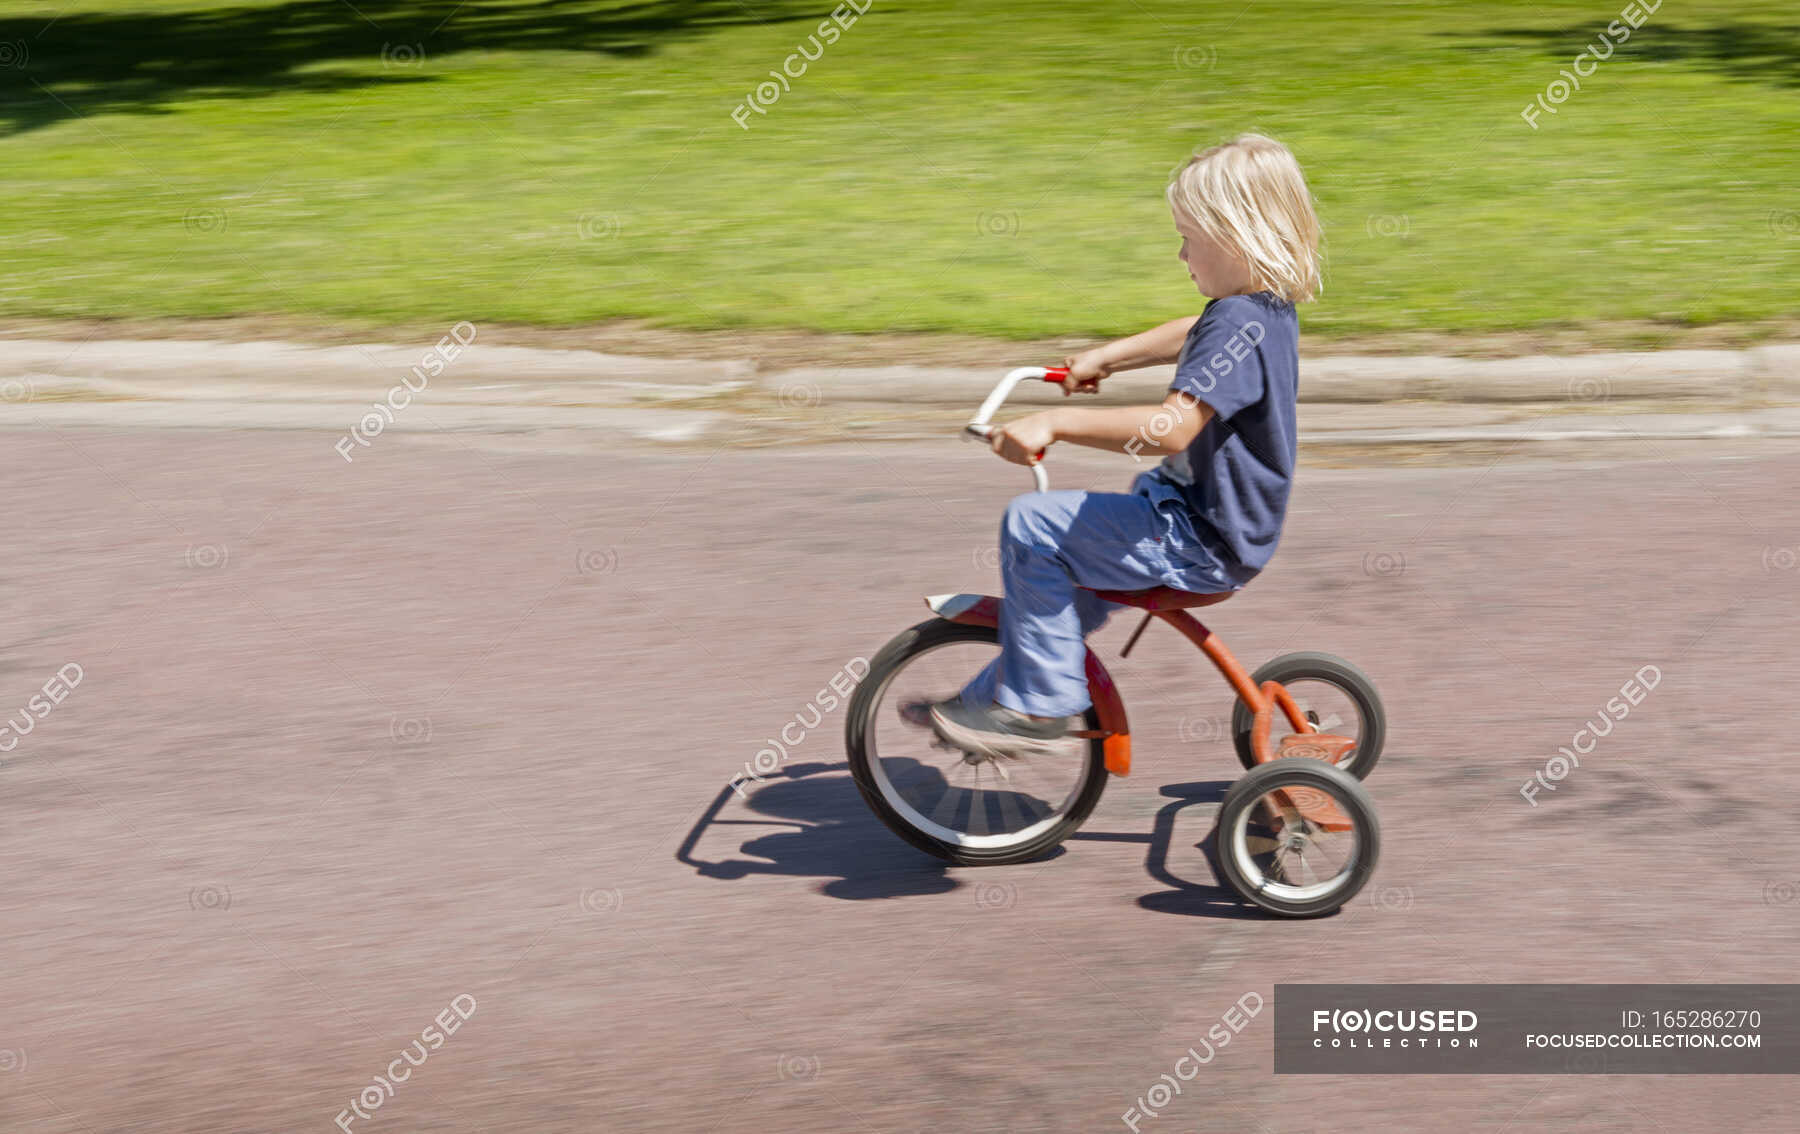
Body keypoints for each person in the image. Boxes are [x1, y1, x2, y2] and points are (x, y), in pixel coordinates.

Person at [923, 133, 1323, 761]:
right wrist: (1107, 358)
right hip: (1208, 521)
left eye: (1188, 237)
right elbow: (1191, 332)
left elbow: (1172, 429)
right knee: (1068, 558)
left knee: (1033, 524)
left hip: (1199, 539)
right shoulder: (1261, 308)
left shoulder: (1238, 320)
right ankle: (1003, 697)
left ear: (1236, 236)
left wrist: (1054, 425)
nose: (1181, 253)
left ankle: (1038, 710)